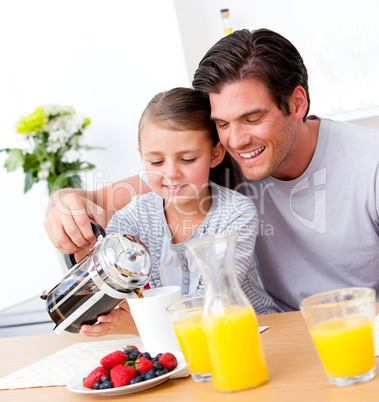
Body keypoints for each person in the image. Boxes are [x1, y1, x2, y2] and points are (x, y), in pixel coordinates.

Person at [45, 28, 379, 314]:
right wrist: (63, 203)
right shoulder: (216, 159)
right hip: (270, 334)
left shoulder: (370, 165)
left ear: (297, 103)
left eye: (252, 118)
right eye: (222, 123)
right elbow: (98, 200)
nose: (237, 140)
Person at [79, 87, 280, 336]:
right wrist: (82, 246)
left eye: (187, 159)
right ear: (142, 157)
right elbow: (101, 270)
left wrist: (142, 326)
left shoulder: (236, 214)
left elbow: (215, 299)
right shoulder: (135, 216)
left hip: (256, 332)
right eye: (157, 162)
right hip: (180, 343)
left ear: (215, 154)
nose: (171, 173)